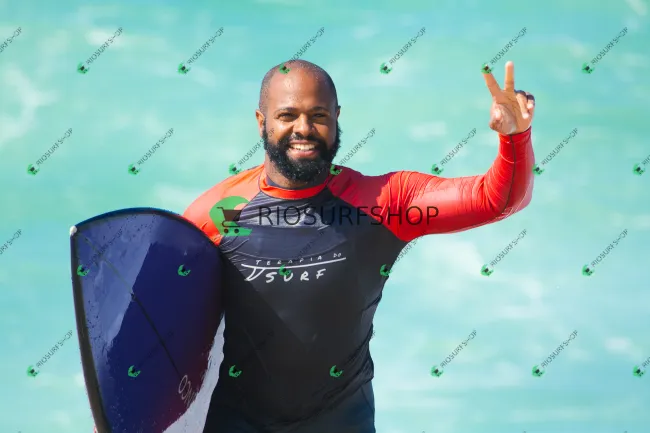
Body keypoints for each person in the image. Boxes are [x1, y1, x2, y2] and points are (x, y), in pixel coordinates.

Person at [183, 59, 536, 432]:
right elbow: (165, 311)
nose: (303, 128)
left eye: (318, 115)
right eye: (287, 115)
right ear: (261, 121)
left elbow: (496, 200)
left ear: (337, 118)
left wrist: (514, 137)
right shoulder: (219, 213)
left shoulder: (383, 204)